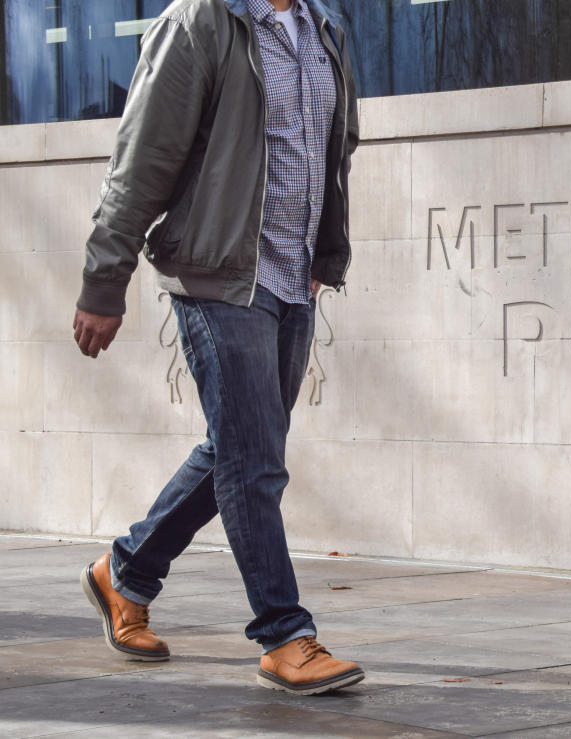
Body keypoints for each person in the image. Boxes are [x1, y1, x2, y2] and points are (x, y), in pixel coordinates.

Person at [71, 0, 363, 696]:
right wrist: (102, 282)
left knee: (239, 447)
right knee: (253, 458)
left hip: (293, 278)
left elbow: (330, 148)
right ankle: (285, 636)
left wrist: (327, 250)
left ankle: (127, 572)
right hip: (217, 275)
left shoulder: (322, 26)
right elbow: (141, 160)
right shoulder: (198, 23)